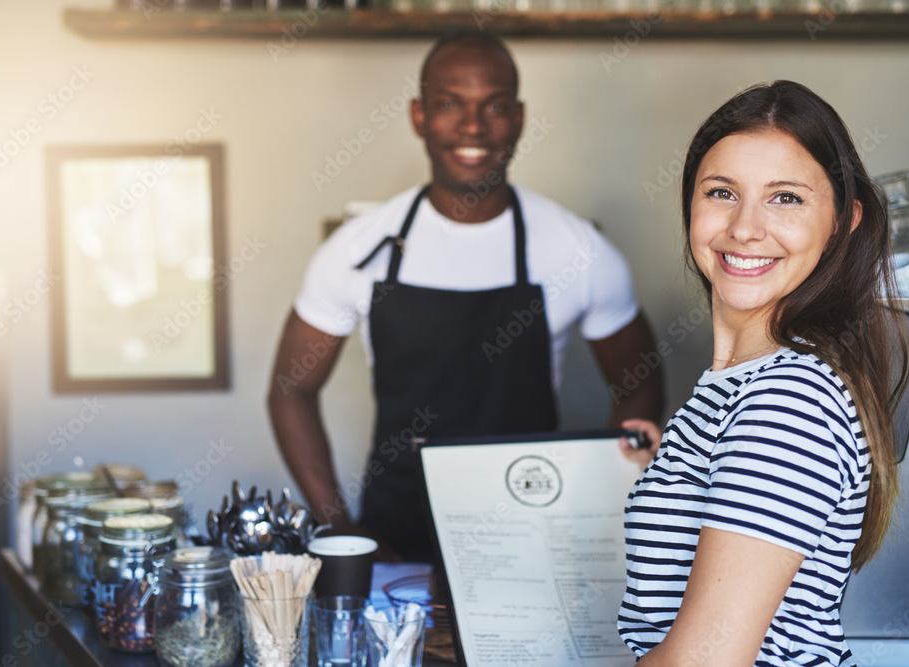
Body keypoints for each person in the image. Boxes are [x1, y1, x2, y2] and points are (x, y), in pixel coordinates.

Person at [268, 31, 664, 562]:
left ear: (519, 118)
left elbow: (640, 383)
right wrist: (343, 531)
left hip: (533, 541)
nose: (473, 126)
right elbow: (290, 390)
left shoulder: (578, 250)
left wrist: (596, 503)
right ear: (418, 116)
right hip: (394, 540)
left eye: (493, 106)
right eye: (450, 104)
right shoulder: (358, 250)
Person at [616, 80, 909, 666]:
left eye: (786, 198)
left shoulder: (788, 400)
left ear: (842, 221)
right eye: (722, 192)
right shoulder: (741, 383)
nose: (745, 228)